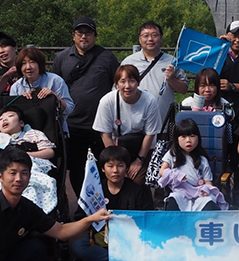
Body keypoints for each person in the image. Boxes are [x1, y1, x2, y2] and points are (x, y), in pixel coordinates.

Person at [52, 16, 120, 195]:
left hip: (101, 125)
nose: (84, 37)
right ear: (74, 35)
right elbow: (54, 85)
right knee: (76, 168)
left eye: (88, 33)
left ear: (95, 36)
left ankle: (103, 203)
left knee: (104, 166)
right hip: (72, 124)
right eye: (80, 33)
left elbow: (119, 84)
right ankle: (82, 206)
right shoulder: (62, 58)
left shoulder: (107, 57)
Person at [71, 145, 153, 261]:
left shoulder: (138, 190)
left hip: (130, 239)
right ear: (103, 169)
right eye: (110, 166)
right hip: (102, 239)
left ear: (126, 168)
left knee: (150, 246)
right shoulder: (95, 190)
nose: (115, 170)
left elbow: (148, 219)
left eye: (120, 165)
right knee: (79, 246)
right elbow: (81, 216)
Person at [92, 65, 161, 185]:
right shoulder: (107, 101)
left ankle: (142, 202)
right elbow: (105, 135)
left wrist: (139, 161)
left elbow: (150, 134)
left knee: (136, 181)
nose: (127, 86)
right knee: (114, 178)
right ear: (116, 84)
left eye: (132, 81)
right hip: (115, 146)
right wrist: (116, 164)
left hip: (142, 148)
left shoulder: (150, 101)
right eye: (122, 81)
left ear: (138, 83)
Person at [121, 21, 189, 120]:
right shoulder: (129, 62)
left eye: (154, 35)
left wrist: (172, 79)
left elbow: (184, 89)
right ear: (140, 39)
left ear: (161, 38)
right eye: (145, 36)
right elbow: (117, 89)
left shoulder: (172, 61)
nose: (150, 39)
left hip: (163, 120)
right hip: (134, 121)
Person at [158, 119, 227, 211]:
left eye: (192, 136)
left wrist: (206, 189)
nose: (188, 140)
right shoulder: (172, 154)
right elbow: (162, 171)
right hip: (181, 192)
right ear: (177, 139)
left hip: (199, 193)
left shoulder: (202, 159)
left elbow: (208, 182)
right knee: (173, 199)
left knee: (209, 201)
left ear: (198, 138)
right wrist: (176, 175)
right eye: (183, 136)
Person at [9, 47, 74, 134]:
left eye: (32, 62)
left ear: (40, 64)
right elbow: (12, 115)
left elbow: (70, 109)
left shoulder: (55, 80)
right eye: (23, 64)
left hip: (54, 132)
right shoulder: (16, 87)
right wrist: (21, 100)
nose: (28, 67)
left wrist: (54, 97)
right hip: (25, 135)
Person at [0, 106, 55, 174]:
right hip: (6, 174)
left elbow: (49, 152)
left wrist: (26, 155)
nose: (4, 119)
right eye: (0, 119)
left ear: (21, 123)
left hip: (33, 171)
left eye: (10, 116)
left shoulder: (34, 134)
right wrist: (9, 168)